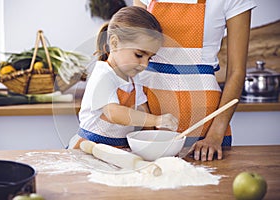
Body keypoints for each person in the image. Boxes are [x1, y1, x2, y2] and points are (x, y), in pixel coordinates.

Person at [133, 0, 256, 161]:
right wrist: (146, 122)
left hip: (205, 121)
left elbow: (236, 71)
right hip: (147, 109)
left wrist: (215, 135)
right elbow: (134, 55)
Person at [69, 6, 178, 149]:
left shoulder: (134, 79)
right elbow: (114, 114)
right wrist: (157, 120)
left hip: (118, 148)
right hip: (89, 148)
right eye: (139, 55)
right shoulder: (102, 75)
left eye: (149, 58)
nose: (144, 64)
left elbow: (142, 110)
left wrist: (153, 142)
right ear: (114, 43)